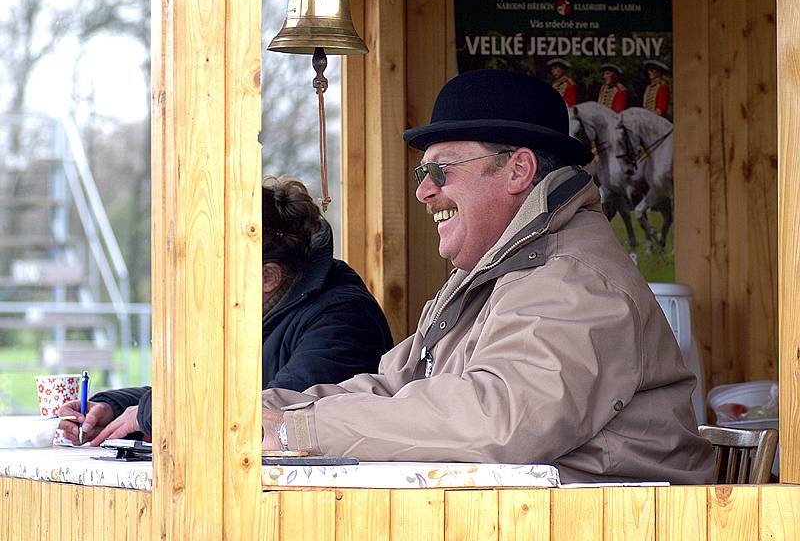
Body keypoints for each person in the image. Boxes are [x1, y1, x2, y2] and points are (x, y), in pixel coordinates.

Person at [261, 68, 714, 484]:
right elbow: (397, 384)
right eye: (423, 171)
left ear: (519, 169)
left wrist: (299, 430)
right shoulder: (495, 272)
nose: (423, 190)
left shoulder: (572, 279)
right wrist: (273, 413)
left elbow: (502, 420)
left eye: (441, 169)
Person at [58, 177, 393, 446]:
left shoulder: (344, 320)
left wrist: (150, 414)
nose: (203, 279)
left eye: (217, 265)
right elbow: (206, 395)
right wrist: (114, 407)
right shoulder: (259, 313)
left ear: (268, 276)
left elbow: (271, 411)